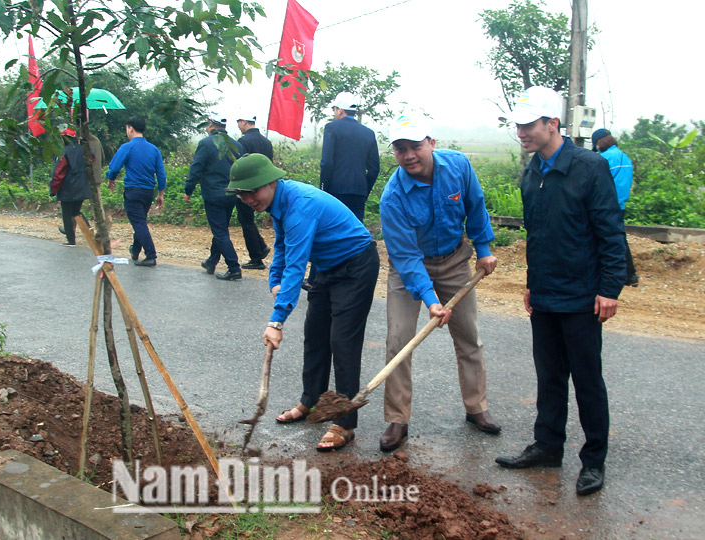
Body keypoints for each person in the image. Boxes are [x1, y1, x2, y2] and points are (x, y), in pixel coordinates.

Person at [494, 86, 626, 497]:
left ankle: (593, 460)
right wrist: (532, 284)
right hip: (547, 293)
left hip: (584, 295)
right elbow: (538, 236)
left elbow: (610, 233)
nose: (522, 132)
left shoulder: (590, 167)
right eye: (518, 125)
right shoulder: (532, 173)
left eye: (529, 125)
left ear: (553, 124)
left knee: (587, 380)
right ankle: (548, 446)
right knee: (549, 376)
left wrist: (609, 288)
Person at [227, 154, 380, 452]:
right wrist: (275, 281)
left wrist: (277, 321)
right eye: (242, 194)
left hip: (355, 265)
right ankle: (311, 402)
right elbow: (283, 246)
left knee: (342, 341)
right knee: (316, 335)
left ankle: (345, 424)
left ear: (271, 182)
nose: (248, 199)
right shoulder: (278, 203)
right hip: (326, 266)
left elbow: (296, 266)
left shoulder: (300, 205)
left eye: (252, 191)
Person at [377, 113, 501, 453]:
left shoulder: (458, 166)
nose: (409, 155)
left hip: (453, 261)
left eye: (416, 146)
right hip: (409, 270)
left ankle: (477, 407)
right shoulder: (393, 197)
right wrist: (431, 300)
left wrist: (484, 249)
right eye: (400, 149)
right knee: (399, 340)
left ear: (431, 143)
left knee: (468, 336)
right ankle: (397, 418)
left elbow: (476, 208)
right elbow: (405, 257)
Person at [185, 113, 244, 280]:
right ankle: (212, 261)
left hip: (214, 194)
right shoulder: (237, 145)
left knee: (220, 232)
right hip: (232, 193)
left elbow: (196, 168)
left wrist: (188, 189)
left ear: (211, 125)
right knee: (221, 229)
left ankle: (234, 267)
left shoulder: (205, 143)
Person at [106, 116, 165, 267]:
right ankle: (135, 249)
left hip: (133, 190)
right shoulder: (154, 149)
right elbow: (161, 173)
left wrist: (110, 179)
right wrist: (161, 194)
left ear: (130, 128)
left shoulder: (127, 147)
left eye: (127, 128)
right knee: (141, 221)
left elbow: (114, 167)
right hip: (148, 192)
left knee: (138, 223)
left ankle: (151, 255)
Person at [319, 91, 380, 221]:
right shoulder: (368, 133)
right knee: (355, 231)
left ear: (340, 110)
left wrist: (323, 189)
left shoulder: (331, 128)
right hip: (359, 192)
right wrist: (364, 190)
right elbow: (374, 169)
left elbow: (327, 163)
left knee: (334, 229)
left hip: (335, 191)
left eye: (334, 109)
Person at [592, 128, 638, 286]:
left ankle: (625, 275)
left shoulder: (602, 159)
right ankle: (630, 275)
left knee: (602, 238)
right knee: (618, 238)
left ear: (599, 143)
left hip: (605, 205)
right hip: (621, 204)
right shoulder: (625, 158)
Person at [234, 112, 271, 270]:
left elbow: (240, 166)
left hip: (247, 187)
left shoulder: (243, 141)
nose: (238, 126)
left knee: (246, 221)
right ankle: (261, 246)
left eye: (238, 122)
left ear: (243, 122)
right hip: (265, 187)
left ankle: (256, 257)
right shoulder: (266, 142)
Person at [52, 128, 92, 247]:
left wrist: (53, 189)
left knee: (67, 213)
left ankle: (71, 239)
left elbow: (59, 173)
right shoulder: (84, 150)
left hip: (68, 188)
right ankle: (91, 233)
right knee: (76, 212)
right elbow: (92, 159)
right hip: (82, 186)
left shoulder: (64, 152)